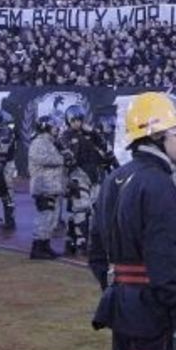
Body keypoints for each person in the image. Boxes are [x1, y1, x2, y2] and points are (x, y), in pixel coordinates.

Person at [88, 92, 176, 350]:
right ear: (156, 136)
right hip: (151, 308)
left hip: (121, 303)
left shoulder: (115, 179)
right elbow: (167, 264)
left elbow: (96, 254)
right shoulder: (158, 185)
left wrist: (117, 290)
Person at [61, 105, 108, 254]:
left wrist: (94, 133)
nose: (77, 123)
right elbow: (67, 157)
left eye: (79, 120)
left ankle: (73, 240)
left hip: (93, 175)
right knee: (80, 208)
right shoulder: (66, 136)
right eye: (74, 120)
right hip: (76, 175)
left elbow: (104, 147)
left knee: (92, 210)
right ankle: (80, 242)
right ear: (68, 121)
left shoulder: (90, 134)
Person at [28, 116, 68, 260]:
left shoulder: (51, 142)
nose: (56, 129)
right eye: (54, 126)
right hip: (43, 186)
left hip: (53, 186)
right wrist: (63, 158)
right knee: (44, 217)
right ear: (46, 127)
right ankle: (37, 248)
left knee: (52, 219)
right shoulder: (39, 142)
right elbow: (47, 159)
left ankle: (45, 245)